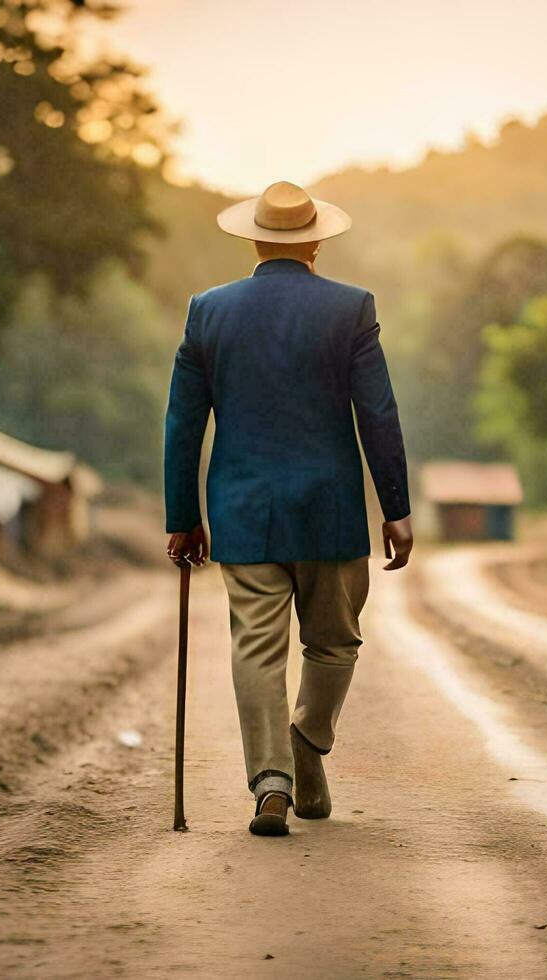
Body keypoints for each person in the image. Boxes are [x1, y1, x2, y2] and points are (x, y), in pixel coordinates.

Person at [163, 180, 413, 837]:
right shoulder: (351, 309)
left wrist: (182, 515)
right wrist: (395, 507)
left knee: (256, 649)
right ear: (317, 242)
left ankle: (271, 782)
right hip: (330, 511)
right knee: (334, 644)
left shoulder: (207, 312)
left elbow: (182, 424)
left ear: (253, 238)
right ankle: (308, 739)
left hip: (243, 512)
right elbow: (378, 413)